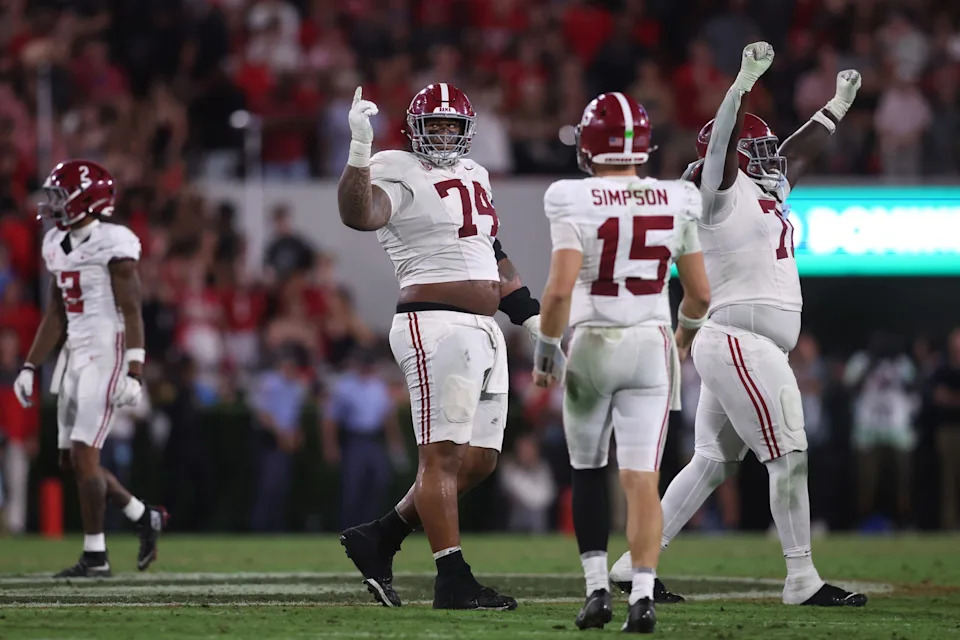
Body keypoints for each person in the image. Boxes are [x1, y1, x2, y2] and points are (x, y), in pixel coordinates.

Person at [609, 42, 866, 607]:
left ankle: (632, 565)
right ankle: (801, 578)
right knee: (789, 453)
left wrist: (837, 105)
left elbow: (798, 153)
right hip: (740, 341)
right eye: (757, 150)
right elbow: (725, 142)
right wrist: (741, 85)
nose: (772, 158)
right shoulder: (716, 191)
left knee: (711, 464)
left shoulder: (763, 188)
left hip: (741, 343)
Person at [336, 84, 552, 610]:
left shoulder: (475, 174)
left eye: (452, 125)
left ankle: (380, 537)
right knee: (442, 455)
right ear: (414, 128)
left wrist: (531, 316)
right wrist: (359, 151)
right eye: (434, 124)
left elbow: (492, 252)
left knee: (479, 460)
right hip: (432, 323)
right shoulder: (394, 165)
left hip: (485, 329)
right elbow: (359, 214)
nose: (443, 133)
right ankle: (452, 579)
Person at [532, 92, 710, 633]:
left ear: (588, 147)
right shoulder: (677, 197)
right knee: (641, 479)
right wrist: (685, 334)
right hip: (651, 344)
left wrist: (545, 348)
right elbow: (700, 293)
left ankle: (594, 592)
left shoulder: (570, 196)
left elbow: (560, 291)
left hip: (590, 342)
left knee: (587, 470)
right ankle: (642, 597)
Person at [13, 160, 168, 577]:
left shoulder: (114, 241)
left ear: (87, 200)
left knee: (84, 456)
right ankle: (143, 516)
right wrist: (31, 365)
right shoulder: (54, 242)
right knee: (70, 461)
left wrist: (134, 370)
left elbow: (133, 309)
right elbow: (55, 314)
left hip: (107, 350)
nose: (54, 203)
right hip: (73, 352)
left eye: (62, 195)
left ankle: (96, 555)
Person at [322, 347, 405, 529]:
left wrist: (395, 447)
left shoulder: (379, 386)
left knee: (379, 482)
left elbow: (388, 419)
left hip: (374, 440)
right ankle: (348, 527)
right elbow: (331, 419)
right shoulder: (345, 386)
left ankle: (370, 527)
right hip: (354, 439)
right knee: (353, 485)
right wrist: (331, 446)